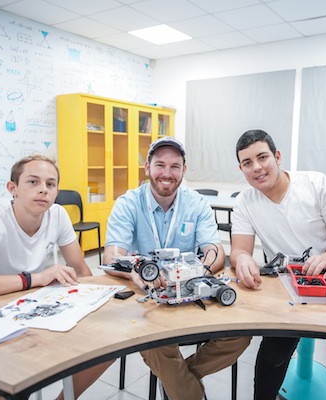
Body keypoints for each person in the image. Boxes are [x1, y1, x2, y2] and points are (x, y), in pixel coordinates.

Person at [0, 154, 111, 400]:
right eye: (33, 182)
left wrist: (97, 303)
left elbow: (80, 268)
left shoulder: (58, 215)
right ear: (13, 188)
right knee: (21, 373)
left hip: (34, 307)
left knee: (106, 346)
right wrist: (34, 278)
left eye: (50, 184)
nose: (43, 190)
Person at [102, 136, 251, 400]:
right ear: (147, 168)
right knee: (155, 344)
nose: (167, 174)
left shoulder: (196, 204)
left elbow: (215, 252)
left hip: (189, 290)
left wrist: (197, 270)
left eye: (175, 166)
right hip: (149, 297)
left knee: (239, 336)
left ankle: (178, 380)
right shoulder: (128, 204)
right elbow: (113, 255)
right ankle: (186, 390)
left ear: (184, 170)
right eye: (160, 165)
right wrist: (136, 271)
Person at [230, 129, 326, 400]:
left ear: (277, 156)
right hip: (287, 287)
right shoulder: (246, 201)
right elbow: (239, 251)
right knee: (272, 354)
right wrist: (243, 259)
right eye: (247, 163)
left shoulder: (315, 184)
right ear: (241, 168)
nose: (256, 168)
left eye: (262, 157)